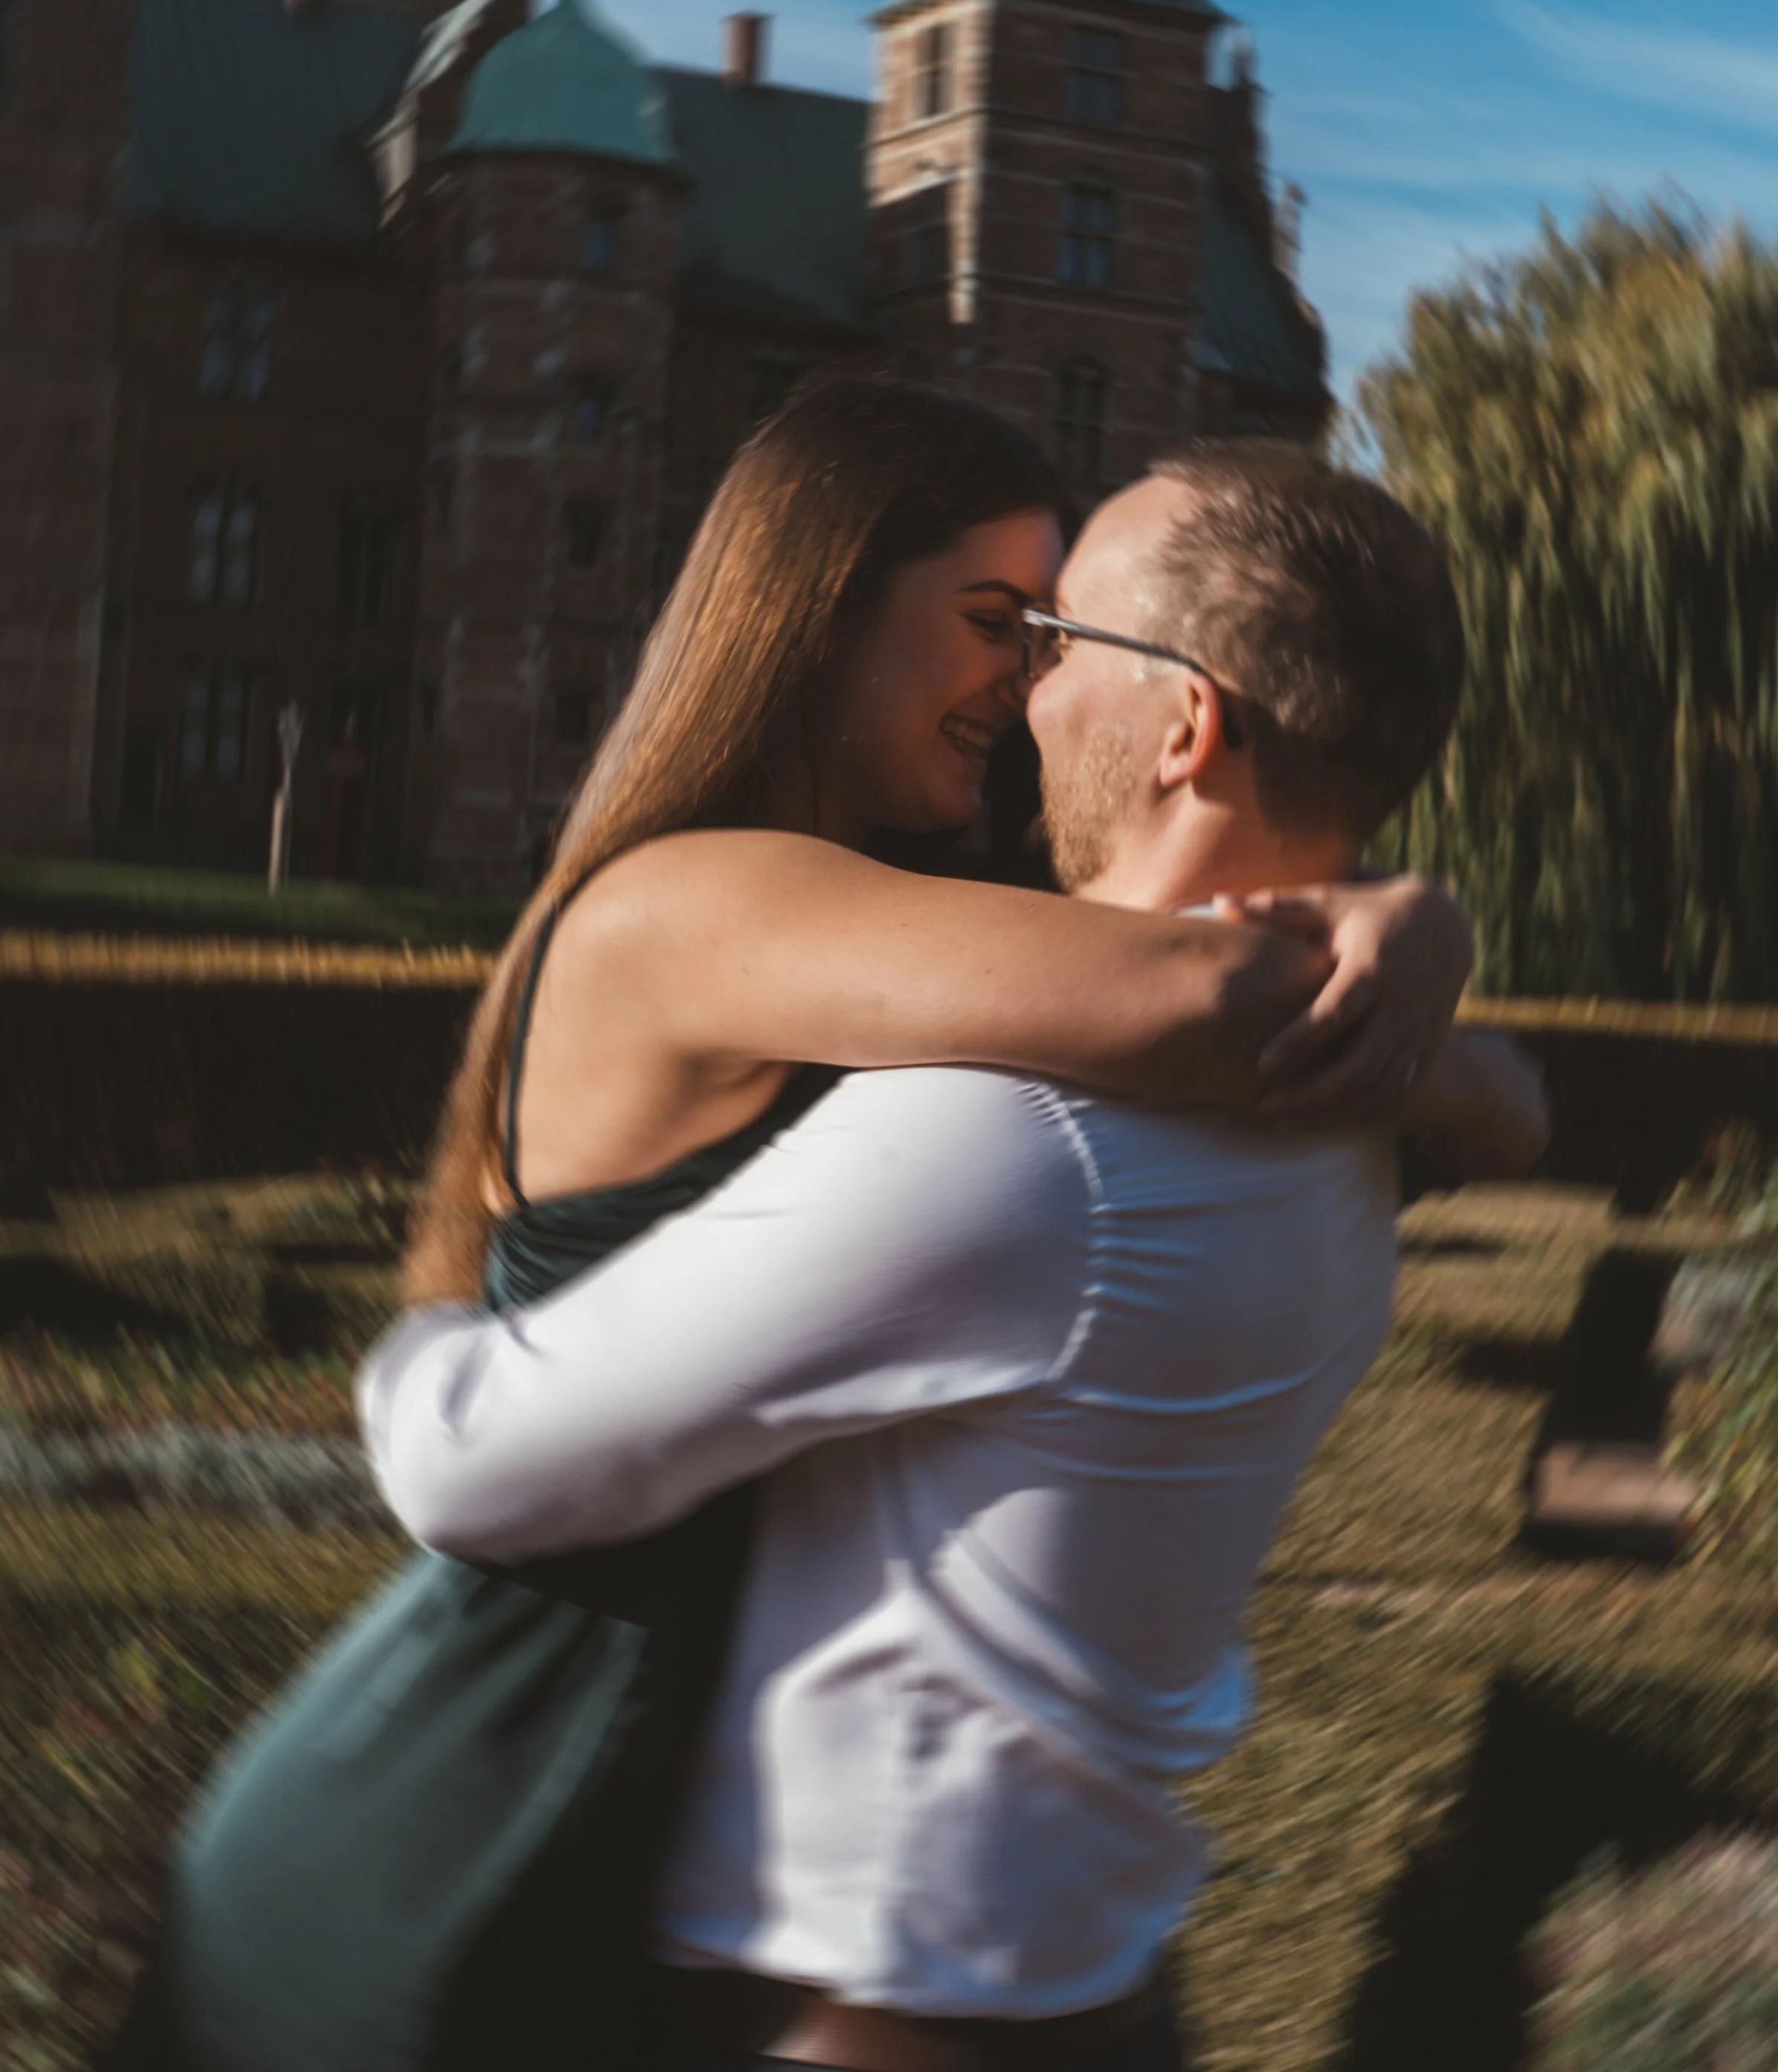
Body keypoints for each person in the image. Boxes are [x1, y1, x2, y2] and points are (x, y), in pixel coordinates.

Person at [126, 382, 1481, 2072]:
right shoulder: (715, 901)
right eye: (998, 619)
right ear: (826, 606)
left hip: (640, 1824)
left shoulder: (952, 996)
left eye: (1052, 632)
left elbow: (1210, 1001)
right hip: (493, 1772)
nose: (1028, 676)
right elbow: (1208, 990)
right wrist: (1402, 931)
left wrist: (1393, 946)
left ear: (1183, 720)